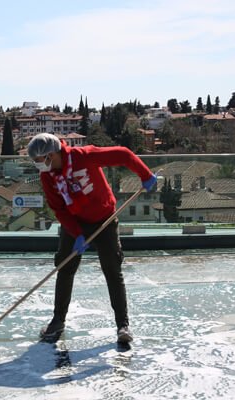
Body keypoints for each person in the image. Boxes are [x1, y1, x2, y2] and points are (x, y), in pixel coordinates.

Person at [27, 133, 157, 344]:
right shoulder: (47, 176)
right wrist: (77, 234)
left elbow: (123, 155)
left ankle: (123, 325)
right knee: (65, 268)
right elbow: (59, 209)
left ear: (50, 155)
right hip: (75, 223)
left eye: (38, 160)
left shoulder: (83, 156)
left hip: (104, 219)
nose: (36, 165)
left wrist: (145, 174)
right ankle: (58, 321)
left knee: (112, 270)